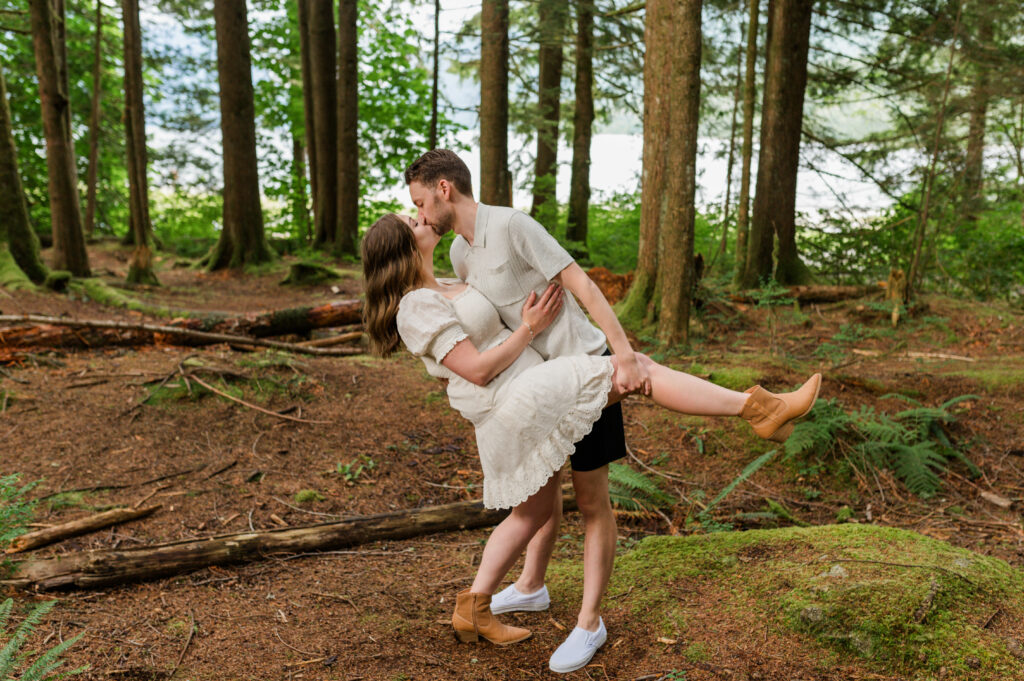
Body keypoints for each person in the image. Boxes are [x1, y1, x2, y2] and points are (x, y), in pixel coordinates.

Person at [362, 207, 821, 673]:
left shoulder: (448, 274)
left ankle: (489, 601)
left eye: (418, 210)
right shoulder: (415, 305)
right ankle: (757, 408)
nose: (420, 217)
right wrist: (530, 329)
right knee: (633, 368)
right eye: (411, 221)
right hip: (517, 396)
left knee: (537, 509)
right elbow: (475, 370)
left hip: (531, 385)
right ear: (401, 249)